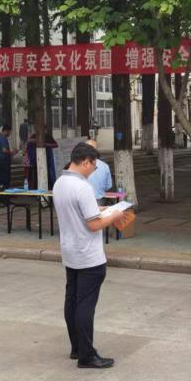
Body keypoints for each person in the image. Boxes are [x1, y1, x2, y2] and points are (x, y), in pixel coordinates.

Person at [53, 142, 127, 368]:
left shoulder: (60, 182)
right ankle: (87, 355)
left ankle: (76, 348)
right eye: (94, 167)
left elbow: (82, 212)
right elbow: (94, 225)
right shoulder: (82, 187)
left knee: (72, 300)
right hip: (88, 255)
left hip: (70, 251)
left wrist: (103, 210)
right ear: (85, 162)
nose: (93, 171)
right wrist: (115, 216)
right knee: (85, 305)